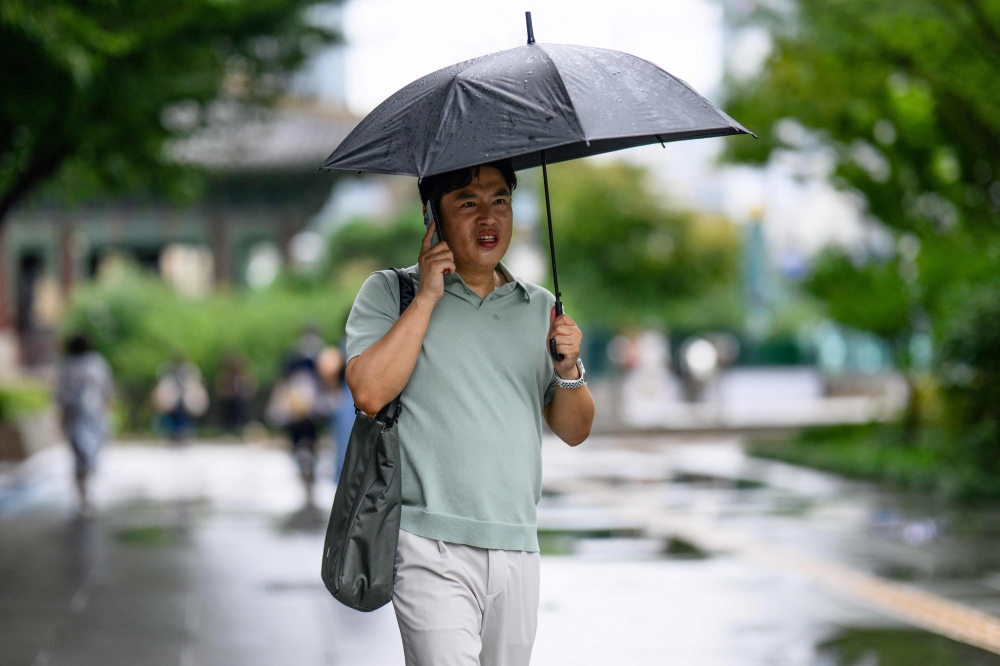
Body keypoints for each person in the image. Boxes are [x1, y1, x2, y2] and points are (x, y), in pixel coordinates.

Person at [346, 159, 594, 665]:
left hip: (518, 544)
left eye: (500, 199)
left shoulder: (539, 306)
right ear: (431, 217)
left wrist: (568, 366)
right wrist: (428, 298)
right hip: (425, 542)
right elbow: (368, 393)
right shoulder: (391, 294)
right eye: (467, 202)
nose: (488, 217)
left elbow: (575, 429)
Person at [266, 330, 333, 505]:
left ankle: (305, 467)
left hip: (302, 411)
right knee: (308, 439)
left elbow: (283, 383)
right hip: (306, 410)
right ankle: (306, 467)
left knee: (301, 440)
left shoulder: (296, 359)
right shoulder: (316, 358)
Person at [56, 334, 113, 516]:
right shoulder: (96, 364)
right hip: (86, 417)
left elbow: (60, 396)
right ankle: (83, 494)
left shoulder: (69, 365)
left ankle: (83, 492)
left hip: (86, 417)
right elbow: (107, 390)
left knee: (84, 456)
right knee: (85, 455)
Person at [151, 356, 209, 443]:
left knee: (183, 418)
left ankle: (182, 431)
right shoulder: (168, 377)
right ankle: (177, 432)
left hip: (185, 403)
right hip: (173, 403)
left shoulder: (189, 375)